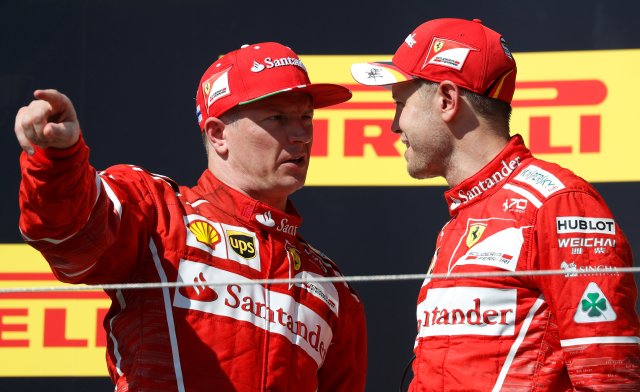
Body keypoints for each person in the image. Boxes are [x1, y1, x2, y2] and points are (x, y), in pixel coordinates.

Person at [15, 42, 367, 391]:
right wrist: (59, 161)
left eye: (306, 117)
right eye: (278, 118)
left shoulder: (329, 286)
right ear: (218, 135)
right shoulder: (159, 213)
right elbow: (70, 240)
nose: (302, 134)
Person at [351, 18, 640, 390]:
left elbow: (608, 376)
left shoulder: (557, 202)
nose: (394, 125)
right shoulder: (458, 222)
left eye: (400, 103)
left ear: (446, 99)